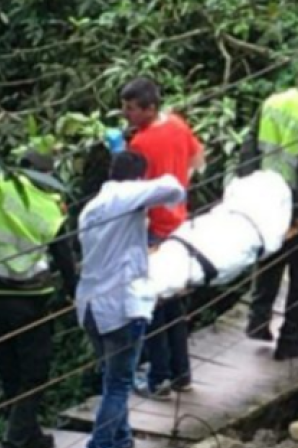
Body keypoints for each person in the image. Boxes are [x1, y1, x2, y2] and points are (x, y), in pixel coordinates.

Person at [76, 150, 185, 448]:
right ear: (138, 178)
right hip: (122, 305)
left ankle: (122, 441)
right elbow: (173, 188)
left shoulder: (91, 207)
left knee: (113, 378)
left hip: (91, 306)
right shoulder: (126, 196)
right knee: (119, 384)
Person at [0, 150, 78, 448]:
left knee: (10, 371)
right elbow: (64, 259)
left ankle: (30, 438)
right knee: (33, 373)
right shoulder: (47, 207)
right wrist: (76, 292)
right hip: (29, 301)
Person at [236, 55, 298, 360]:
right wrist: (297, 216)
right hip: (295, 204)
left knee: (270, 257)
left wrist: (246, 193)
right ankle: (290, 342)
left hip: (264, 197)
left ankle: (258, 321)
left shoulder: (273, 102)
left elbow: (249, 149)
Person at [120, 77, 206, 398]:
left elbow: (132, 191)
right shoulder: (178, 125)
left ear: (149, 108)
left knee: (153, 304)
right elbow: (198, 161)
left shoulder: (139, 145)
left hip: (154, 229)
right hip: (180, 224)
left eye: (131, 109)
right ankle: (181, 373)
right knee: (173, 303)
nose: (125, 114)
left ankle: (158, 379)